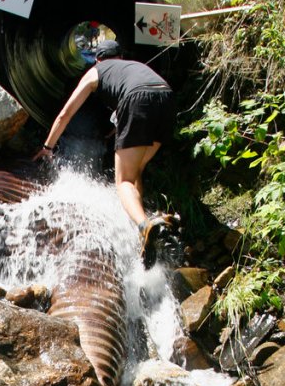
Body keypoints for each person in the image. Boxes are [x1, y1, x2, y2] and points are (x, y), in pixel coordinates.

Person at [36, 39, 178, 258]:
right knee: (136, 171)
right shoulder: (132, 66)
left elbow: (66, 113)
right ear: (120, 57)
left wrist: (48, 147)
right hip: (166, 98)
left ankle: (144, 226)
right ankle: (142, 227)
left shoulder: (95, 71)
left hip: (137, 100)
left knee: (123, 181)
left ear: (97, 59)